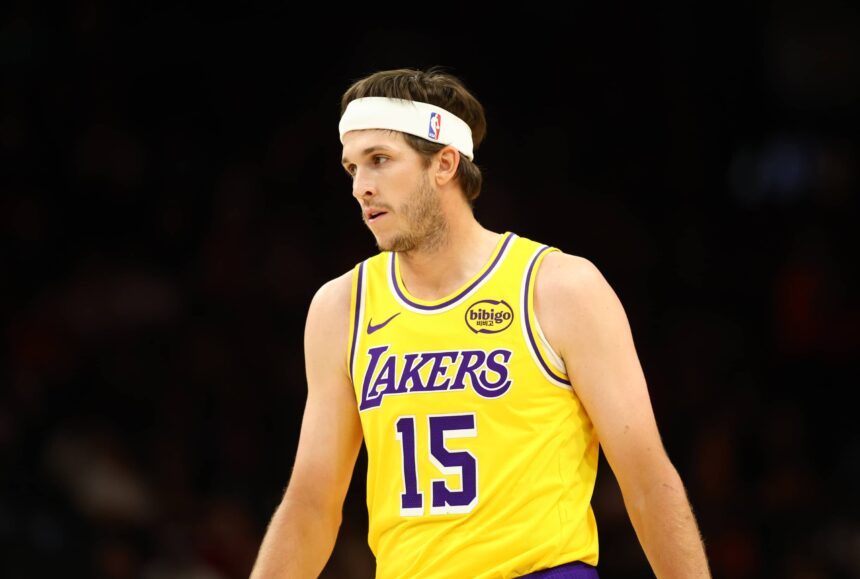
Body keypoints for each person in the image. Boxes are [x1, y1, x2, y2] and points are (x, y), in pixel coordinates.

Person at [250, 67, 711, 579]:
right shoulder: (342, 307)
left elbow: (647, 479)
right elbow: (312, 502)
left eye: (379, 161)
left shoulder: (559, 288)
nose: (361, 187)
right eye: (352, 168)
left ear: (444, 163)